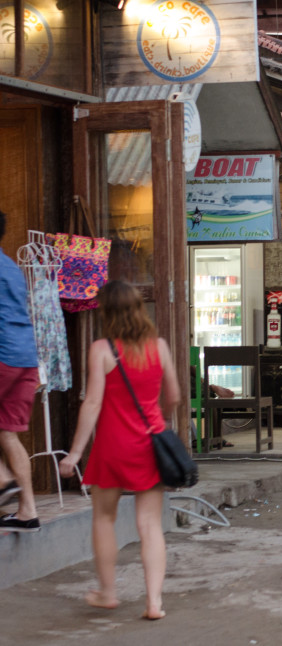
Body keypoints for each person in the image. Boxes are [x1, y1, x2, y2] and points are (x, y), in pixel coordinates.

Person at [59, 281, 181, 620]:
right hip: (149, 444)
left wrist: (74, 453)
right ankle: (154, 602)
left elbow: (93, 402)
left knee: (104, 518)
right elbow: (173, 395)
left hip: (113, 446)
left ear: (107, 312)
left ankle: (107, 593)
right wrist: (163, 420)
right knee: (150, 524)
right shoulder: (159, 346)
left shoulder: (102, 349)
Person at [0, 210, 41, 533]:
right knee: (7, 433)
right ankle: (28, 510)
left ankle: (3, 478)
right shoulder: (12, 268)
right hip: (25, 359)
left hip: (2, 356)